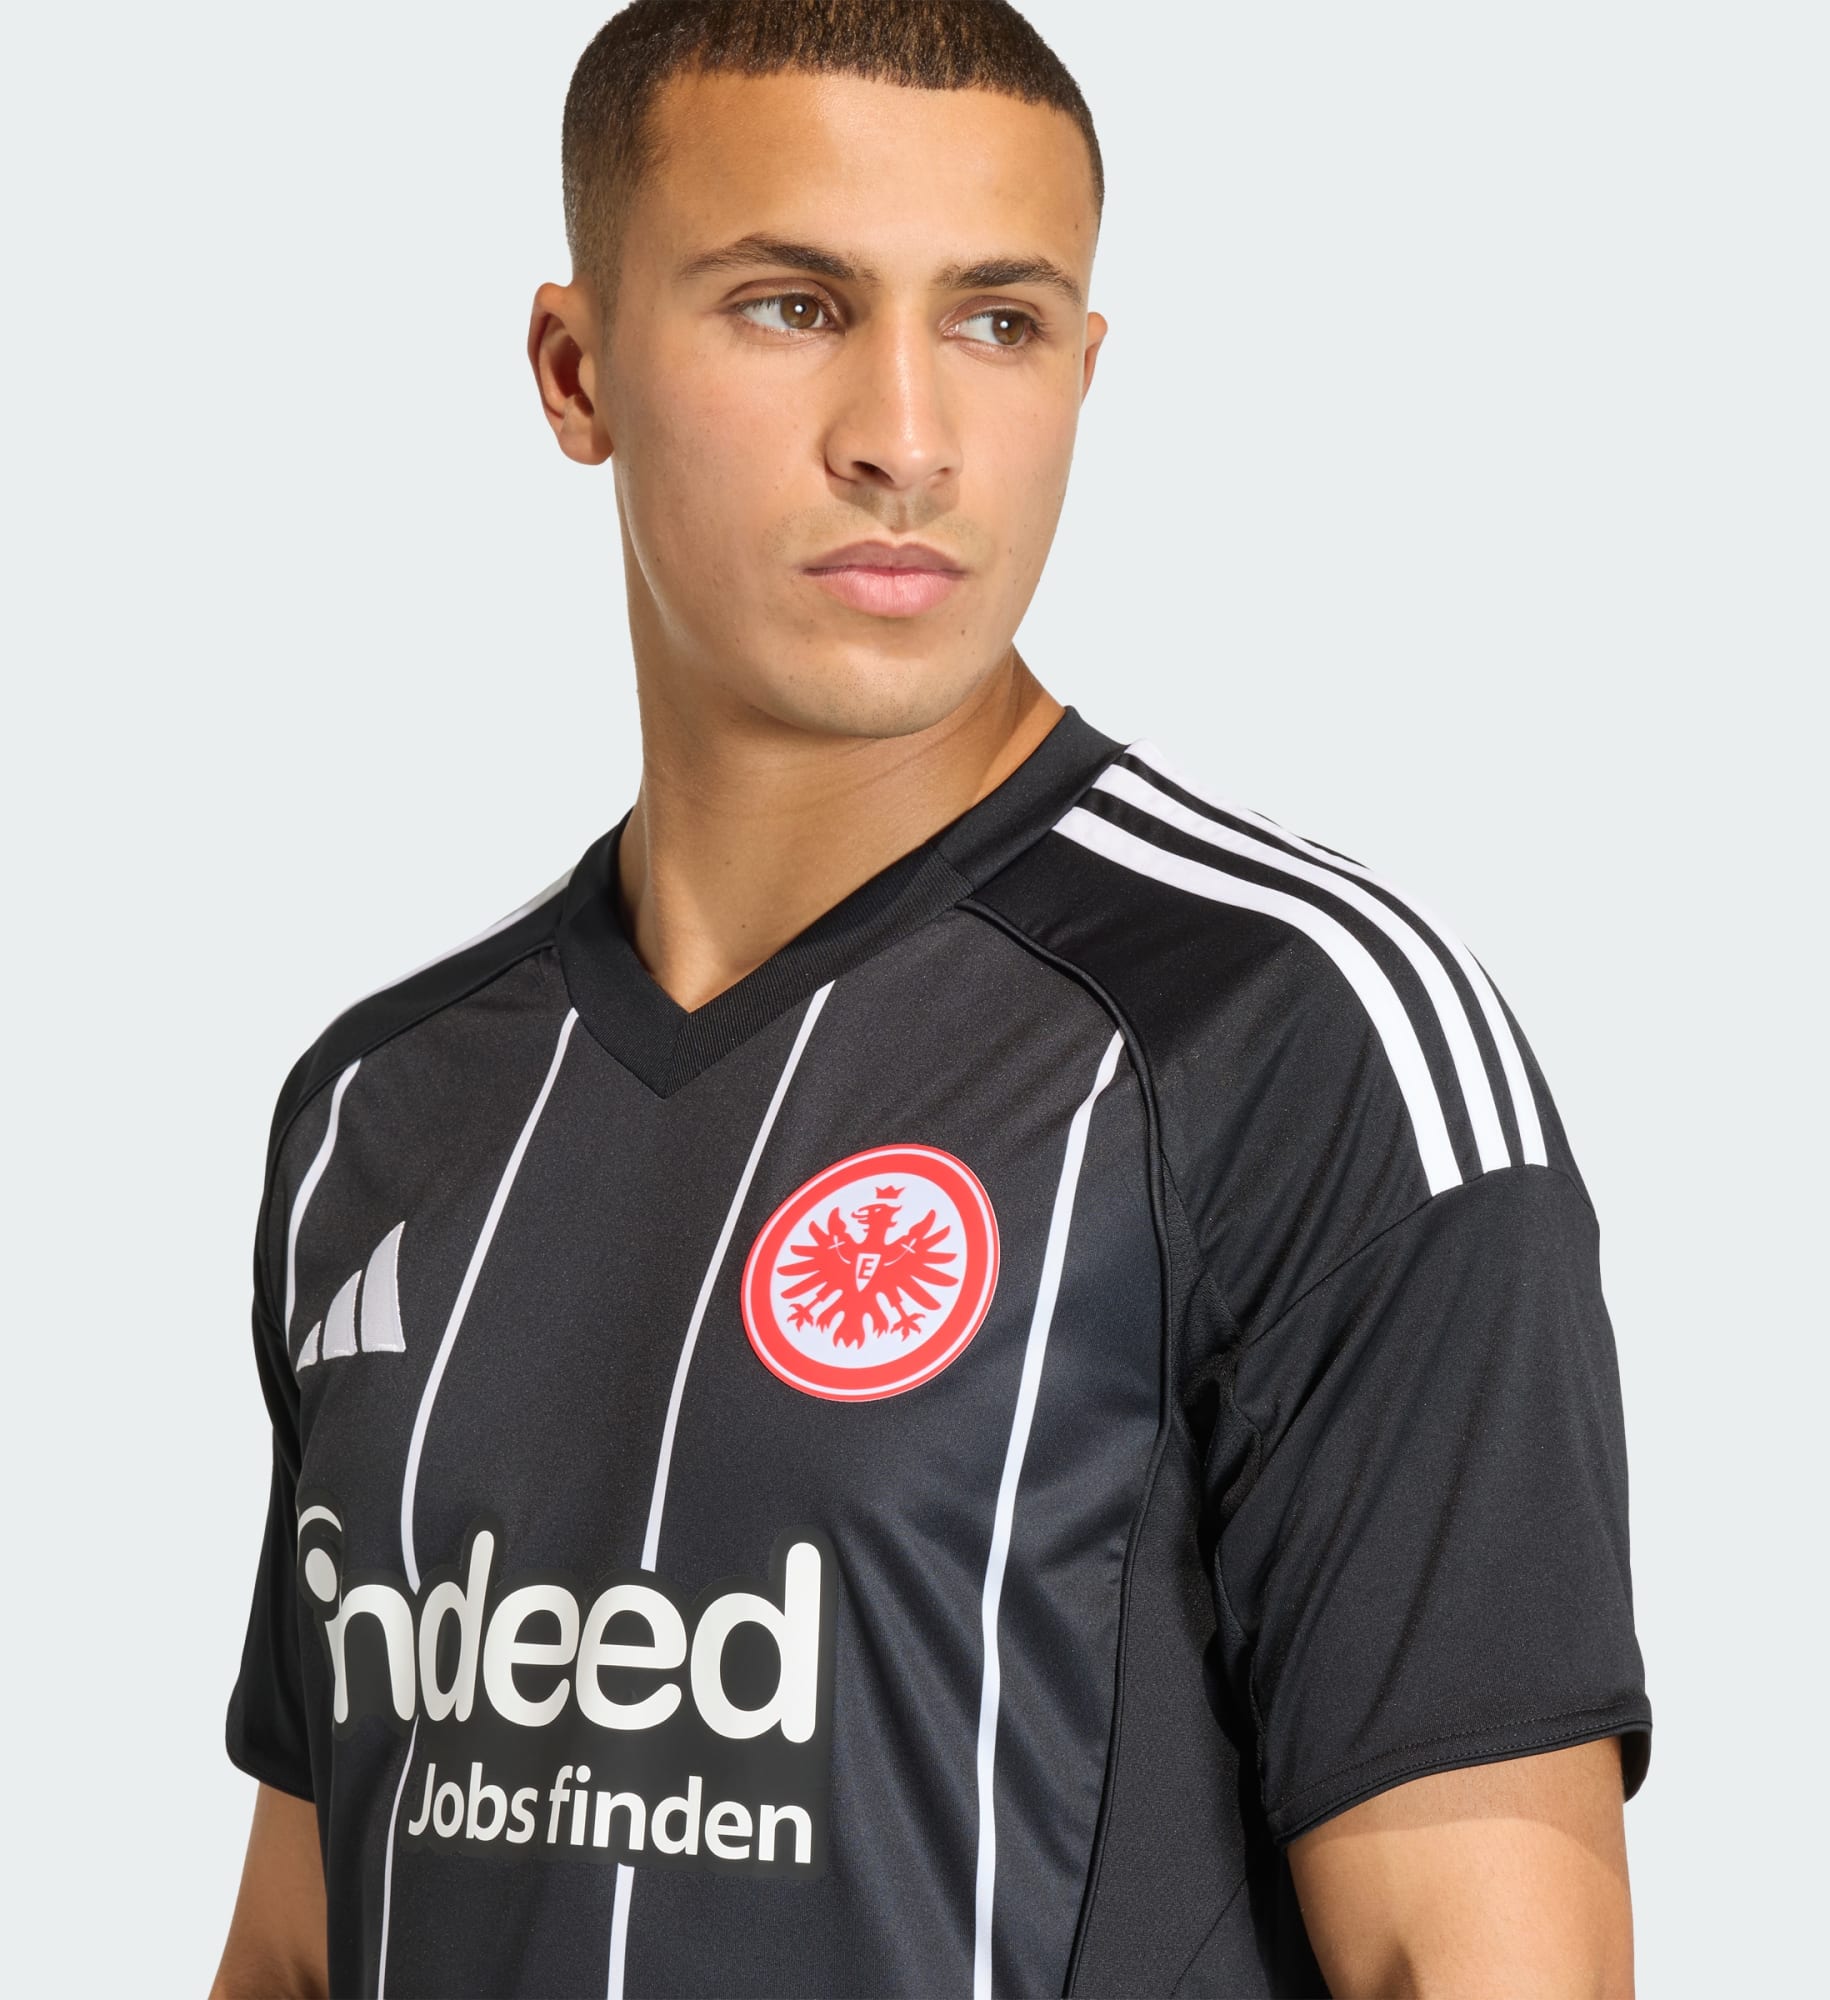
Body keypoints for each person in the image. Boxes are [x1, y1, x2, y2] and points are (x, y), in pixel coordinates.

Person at [211, 3, 1650, 1995]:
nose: (905, 433)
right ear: (574, 367)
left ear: (1081, 368)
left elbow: (1483, 1964)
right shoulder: (384, 1109)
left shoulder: (1298, 1042)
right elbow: (303, 1944)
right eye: (791, 306)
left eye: (996, 320)